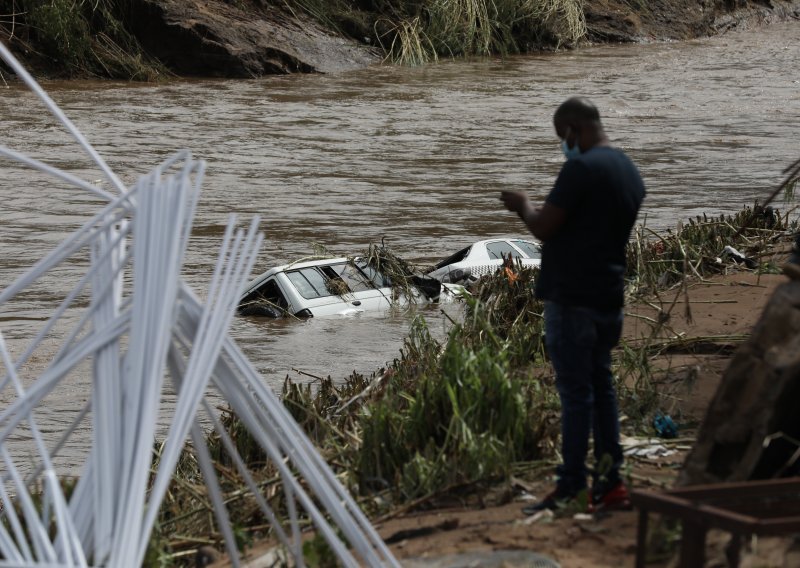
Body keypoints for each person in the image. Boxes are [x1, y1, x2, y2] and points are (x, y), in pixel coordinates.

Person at [500, 97, 645, 514]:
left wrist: (522, 204)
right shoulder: (628, 171)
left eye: (562, 137)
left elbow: (545, 226)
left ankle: (571, 488)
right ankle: (610, 483)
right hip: (608, 296)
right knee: (602, 388)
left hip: (572, 298)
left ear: (574, 130)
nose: (564, 146)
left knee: (576, 394)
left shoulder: (581, 168)